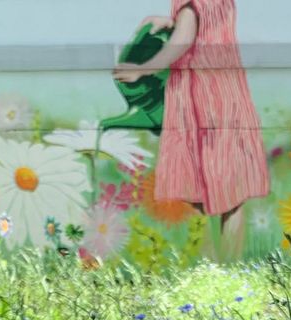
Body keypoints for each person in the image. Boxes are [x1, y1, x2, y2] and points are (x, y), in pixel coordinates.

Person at [113, 1, 270, 257]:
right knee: (232, 196)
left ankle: (212, 265)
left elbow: (183, 42)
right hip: (228, 93)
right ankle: (232, 266)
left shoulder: (190, 6)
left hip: (202, 98)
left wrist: (143, 69)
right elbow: (202, 30)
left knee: (204, 191)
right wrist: (174, 21)